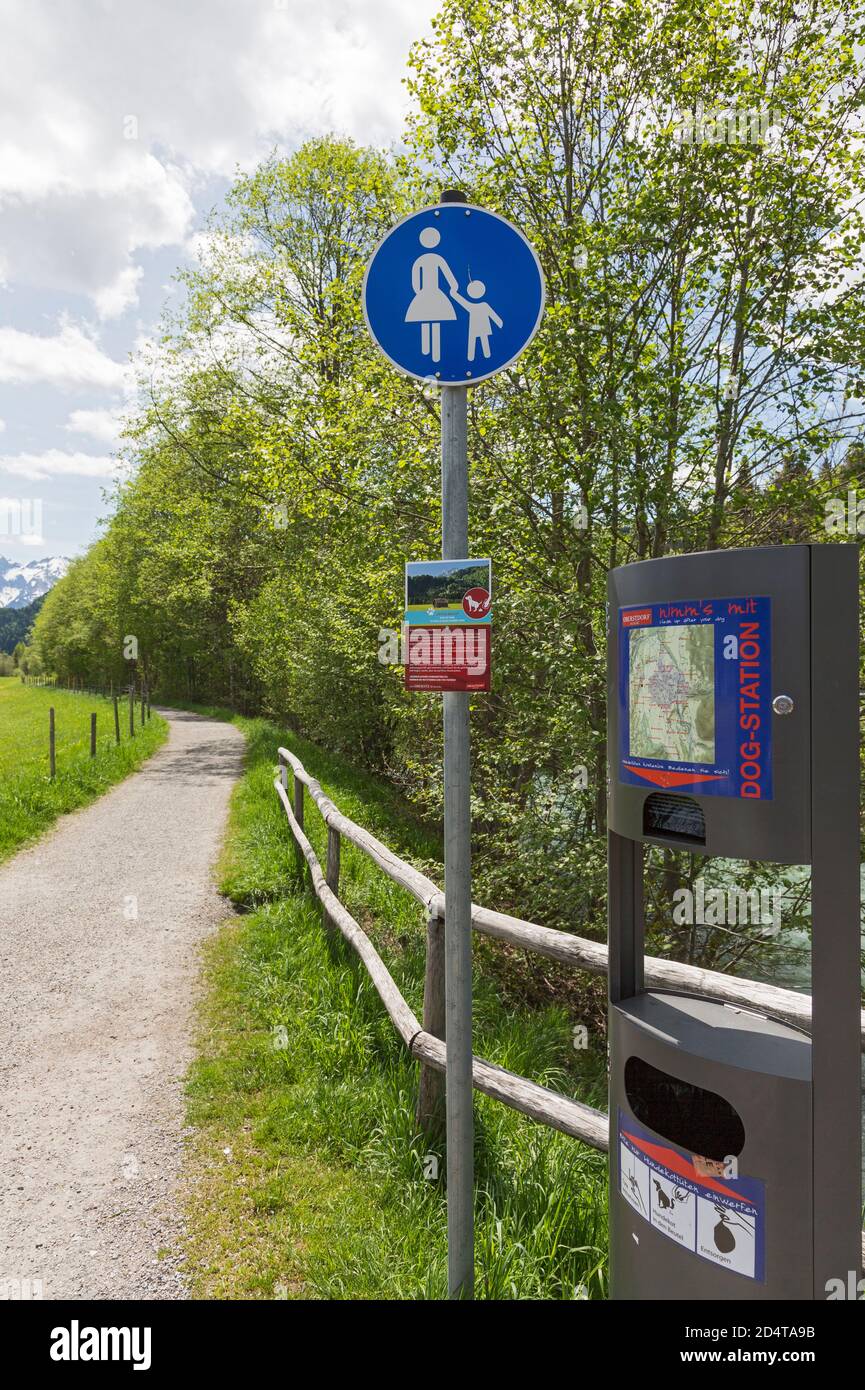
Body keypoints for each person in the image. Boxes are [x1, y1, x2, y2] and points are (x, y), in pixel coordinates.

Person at [405, 226, 458, 363]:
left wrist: (419, 292)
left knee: (428, 319)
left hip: (426, 293)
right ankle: (431, 354)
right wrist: (454, 286)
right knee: (433, 319)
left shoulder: (422, 260)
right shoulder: (435, 259)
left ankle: (429, 353)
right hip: (433, 293)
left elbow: (415, 279)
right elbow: (448, 275)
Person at [449, 279, 503, 361]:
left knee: (477, 341)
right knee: (478, 340)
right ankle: (478, 357)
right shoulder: (481, 305)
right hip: (479, 327)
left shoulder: (475, 306)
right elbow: (493, 315)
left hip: (477, 327)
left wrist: (454, 294)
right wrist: (499, 323)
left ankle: (474, 357)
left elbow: (492, 314)